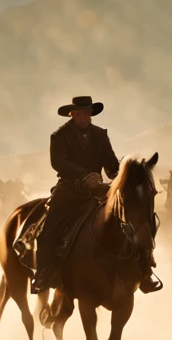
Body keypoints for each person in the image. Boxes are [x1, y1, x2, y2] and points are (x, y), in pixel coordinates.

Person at [32, 96, 128, 293]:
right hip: (69, 190)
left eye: (85, 113)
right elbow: (59, 163)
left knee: (129, 222)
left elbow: (110, 162)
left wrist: (118, 174)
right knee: (49, 229)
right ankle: (42, 273)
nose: (82, 116)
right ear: (72, 114)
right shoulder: (59, 135)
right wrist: (84, 176)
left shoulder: (101, 135)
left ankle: (140, 270)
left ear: (90, 114)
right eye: (78, 113)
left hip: (98, 191)